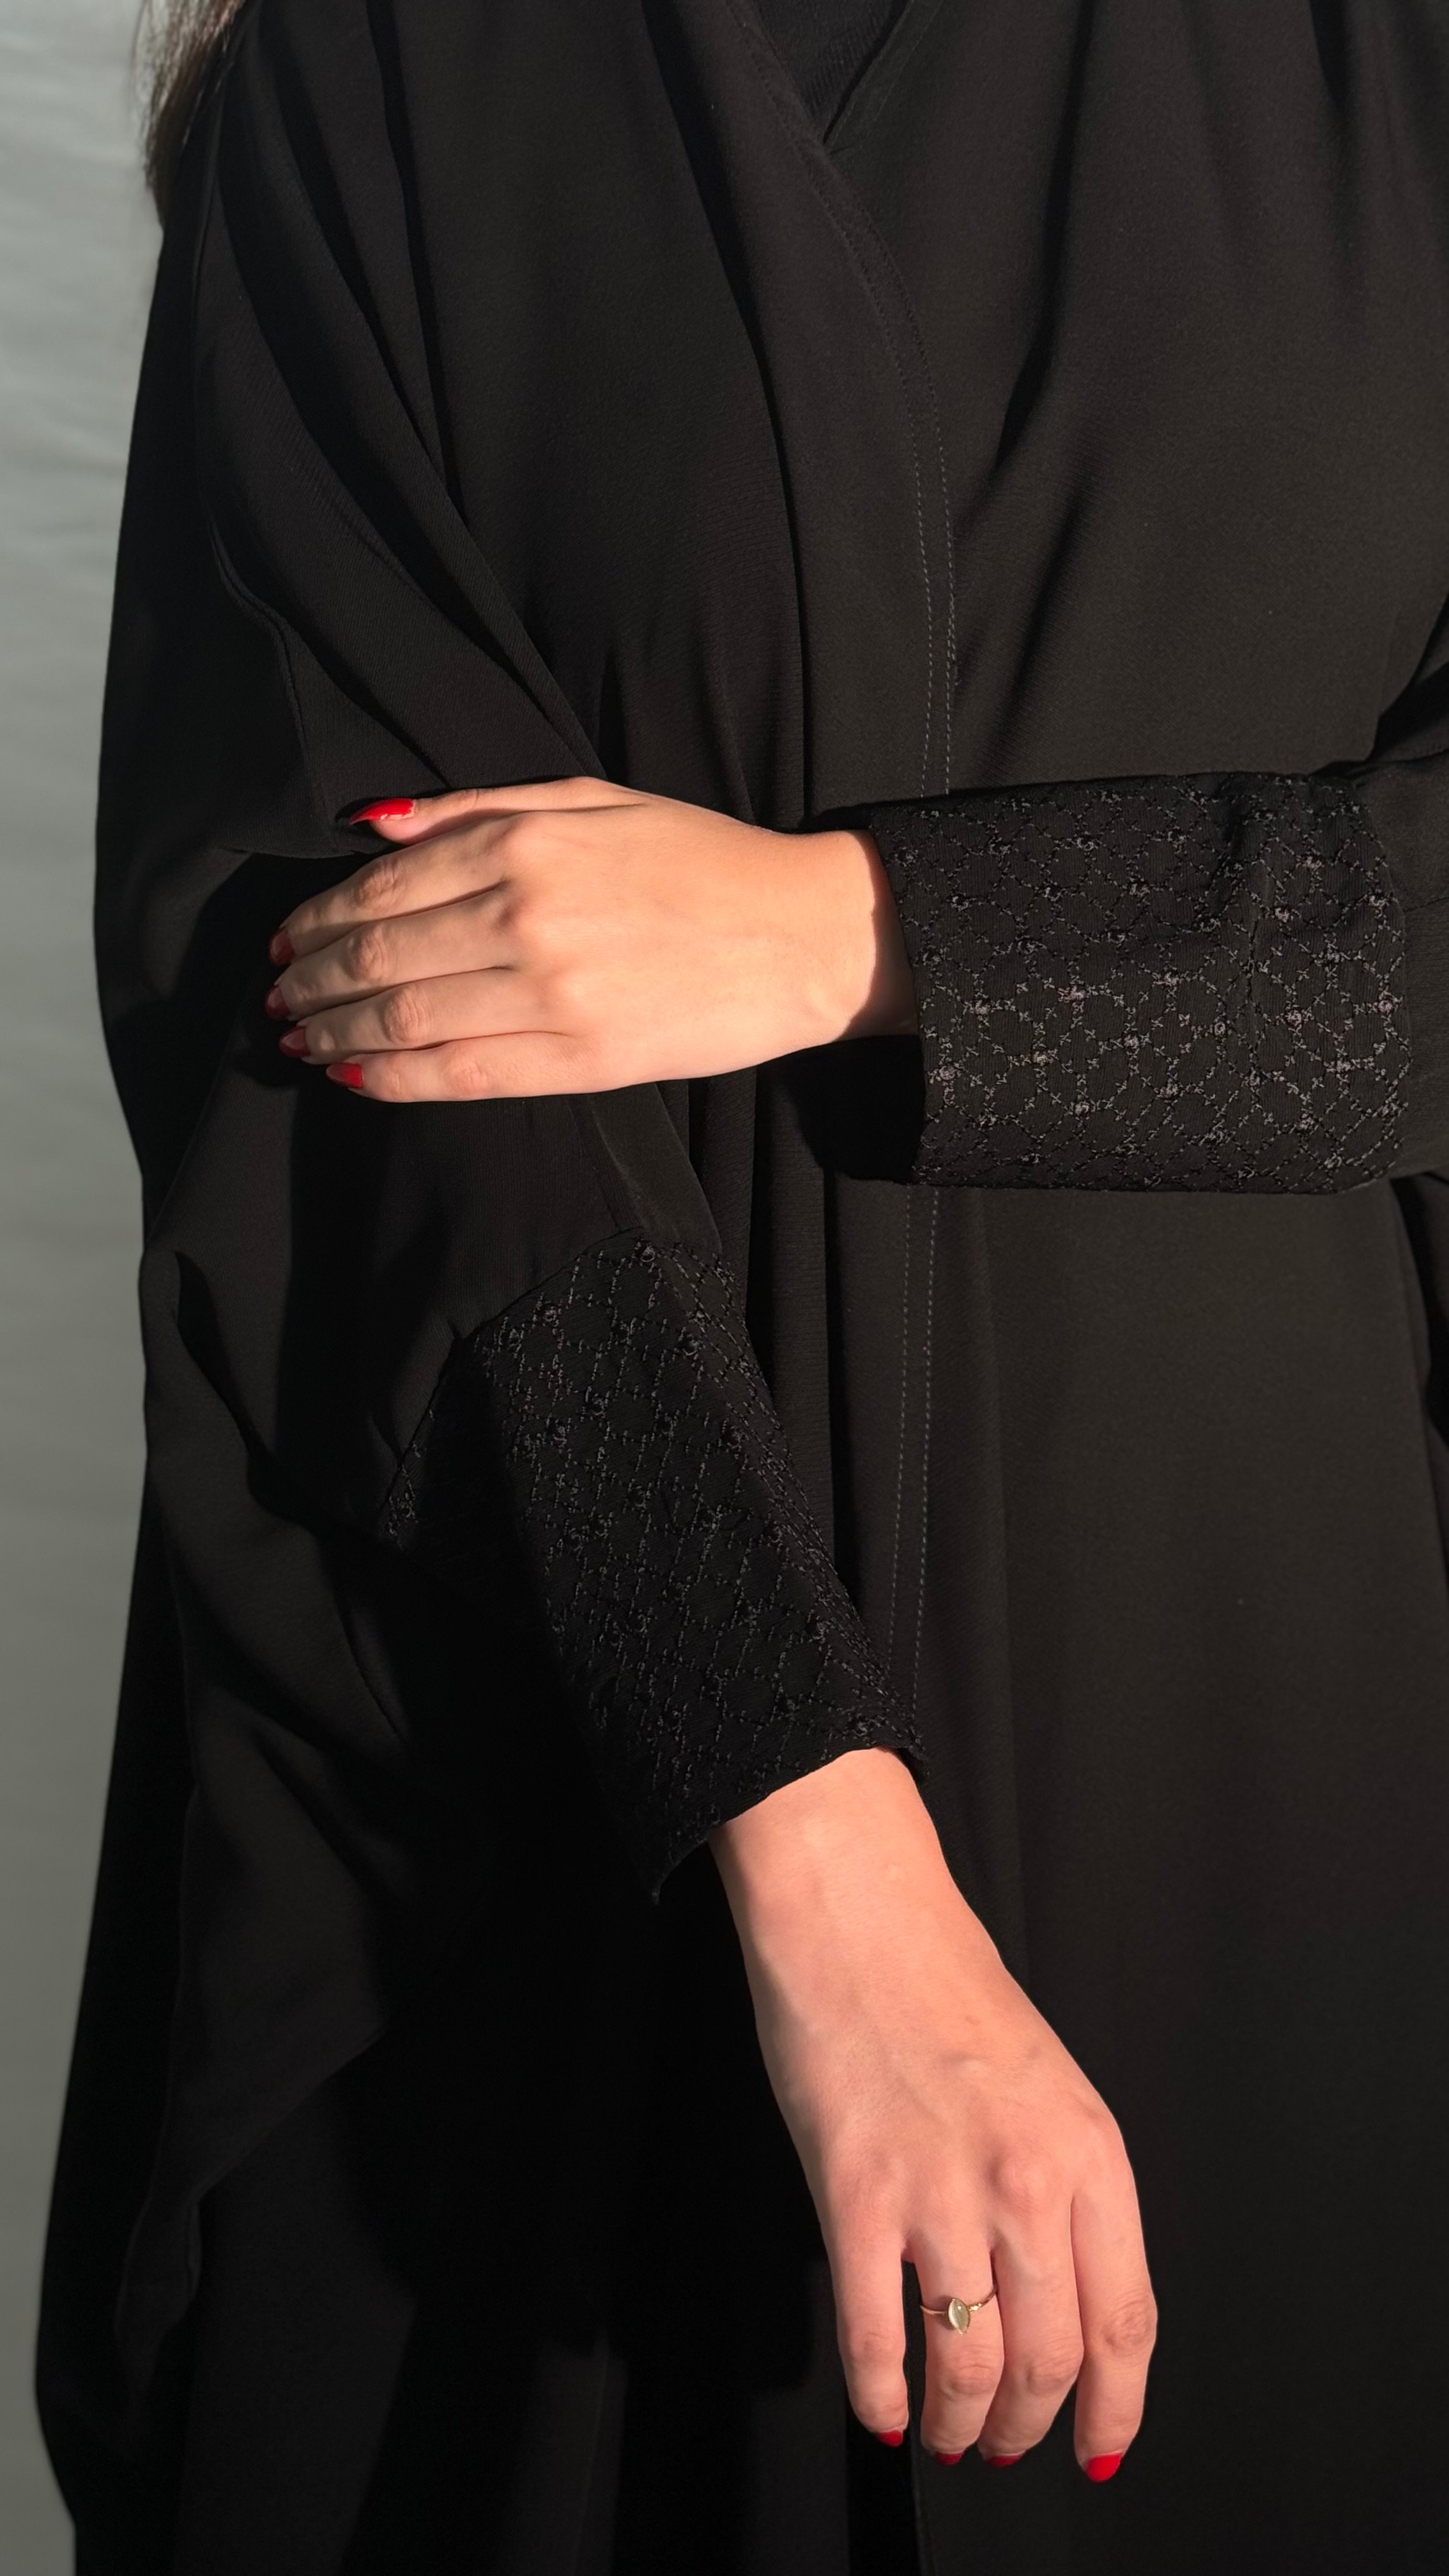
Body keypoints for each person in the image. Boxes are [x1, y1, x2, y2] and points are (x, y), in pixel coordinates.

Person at [37, 3, 1449, 2570]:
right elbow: (362, 1062)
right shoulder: (382, 85)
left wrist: (869, 933)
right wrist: (819, 1864)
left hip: (1269, 1763)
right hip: (589, 1803)